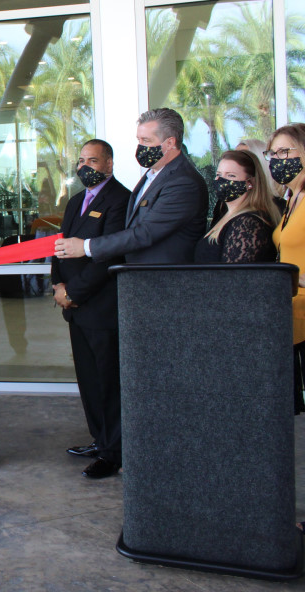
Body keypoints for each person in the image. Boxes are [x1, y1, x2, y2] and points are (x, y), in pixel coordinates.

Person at [50, 140, 131, 479]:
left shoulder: (121, 200)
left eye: (93, 161)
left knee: (108, 383)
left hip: (100, 307)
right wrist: (58, 287)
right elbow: (60, 247)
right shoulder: (74, 202)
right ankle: (99, 439)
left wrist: (76, 292)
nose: (85, 167)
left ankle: (114, 452)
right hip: (75, 308)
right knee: (89, 381)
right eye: (81, 160)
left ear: (108, 164)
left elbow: (108, 255)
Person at [55, 108, 208, 265]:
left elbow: (145, 233)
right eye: (139, 140)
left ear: (169, 143)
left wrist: (86, 246)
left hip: (166, 279)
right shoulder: (153, 176)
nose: (140, 147)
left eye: (146, 141)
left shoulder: (183, 183)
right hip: (142, 278)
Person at [267, 124, 305, 415]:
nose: (278, 159)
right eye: (274, 153)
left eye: (286, 151)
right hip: (292, 313)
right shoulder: (292, 198)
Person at [194, 150, 278, 264]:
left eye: (231, 175)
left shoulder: (248, 224)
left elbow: (235, 277)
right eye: (218, 174)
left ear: (250, 182)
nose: (221, 180)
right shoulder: (226, 215)